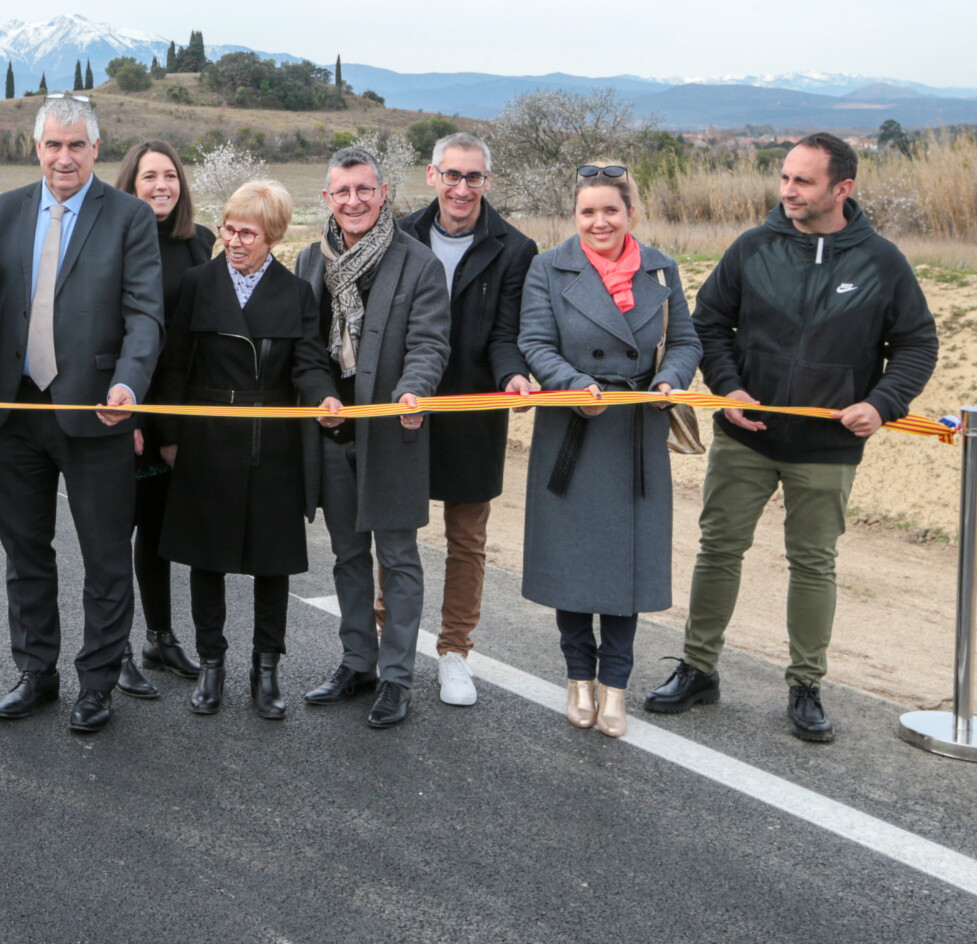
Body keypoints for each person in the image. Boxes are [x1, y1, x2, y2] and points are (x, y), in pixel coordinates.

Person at [645, 133, 938, 742]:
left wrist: (882, 404)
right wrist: (728, 389)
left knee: (814, 564)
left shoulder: (882, 261)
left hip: (827, 447)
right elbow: (708, 325)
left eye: (802, 181)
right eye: (784, 178)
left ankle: (806, 685)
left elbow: (916, 344)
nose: (787, 191)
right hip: (746, 436)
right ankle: (699, 668)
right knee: (719, 550)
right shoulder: (753, 247)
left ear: (842, 189)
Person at [0, 95, 164, 733]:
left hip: (97, 415)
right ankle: (36, 672)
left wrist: (129, 386)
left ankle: (98, 682)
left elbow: (146, 315)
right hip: (12, 412)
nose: (64, 157)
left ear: (94, 150)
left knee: (105, 556)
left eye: (76, 146)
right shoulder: (0, 213)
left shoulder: (131, 218)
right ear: (37, 148)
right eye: (53, 145)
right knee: (25, 550)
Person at [517, 163, 701, 738]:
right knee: (572, 564)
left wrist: (670, 379)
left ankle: (615, 685)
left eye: (610, 210)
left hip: (637, 432)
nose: (600, 222)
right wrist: (573, 386)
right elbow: (534, 341)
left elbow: (687, 341)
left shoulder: (662, 268)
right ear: (575, 217)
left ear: (631, 213)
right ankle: (578, 677)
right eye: (587, 212)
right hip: (573, 429)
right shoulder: (548, 267)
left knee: (627, 569)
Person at [154, 181, 340, 718]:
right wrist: (170, 435)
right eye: (230, 229)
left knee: (271, 563)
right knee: (205, 558)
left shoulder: (296, 293)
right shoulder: (197, 282)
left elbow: (308, 362)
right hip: (206, 441)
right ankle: (211, 665)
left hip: (272, 445)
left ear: (273, 237)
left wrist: (325, 397)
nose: (234, 241)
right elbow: (173, 366)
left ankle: (266, 670)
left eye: (248, 233)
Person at [297, 146, 451, 729]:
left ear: (383, 194)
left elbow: (430, 343)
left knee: (398, 557)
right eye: (343, 191)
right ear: (327, 198)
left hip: (394, 431)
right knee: (346, 555)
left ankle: (396, 677)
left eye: (365, 190)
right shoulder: (311, 261)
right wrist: (320, 398)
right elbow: (306, 349)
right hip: (334, 433)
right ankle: (356, 661)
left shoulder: (419, 264)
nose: (354, 201)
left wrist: (415, 391)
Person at [394, 132, 537, 707]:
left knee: (466, 540)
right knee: (395, 531)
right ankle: (389, 642)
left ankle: (454, 652)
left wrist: (512, 377)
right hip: (408, 404)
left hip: (476, 409)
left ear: (487, 182)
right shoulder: (398, 233)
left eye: (472, 177)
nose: (461, 187)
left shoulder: (515, 247)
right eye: (451, 175)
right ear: (432, 176)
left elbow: (507, 334)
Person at [113, 140, 214, 698]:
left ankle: (159, 636)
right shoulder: (115, 240)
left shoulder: (199, 242)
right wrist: (125, 410)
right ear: (129, 183)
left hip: (178, 412)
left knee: (157, 532)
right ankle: (116, 647)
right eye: (149, 176)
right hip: (128, 408)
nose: (161, 186)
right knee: (116, 532)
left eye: (170, 175)